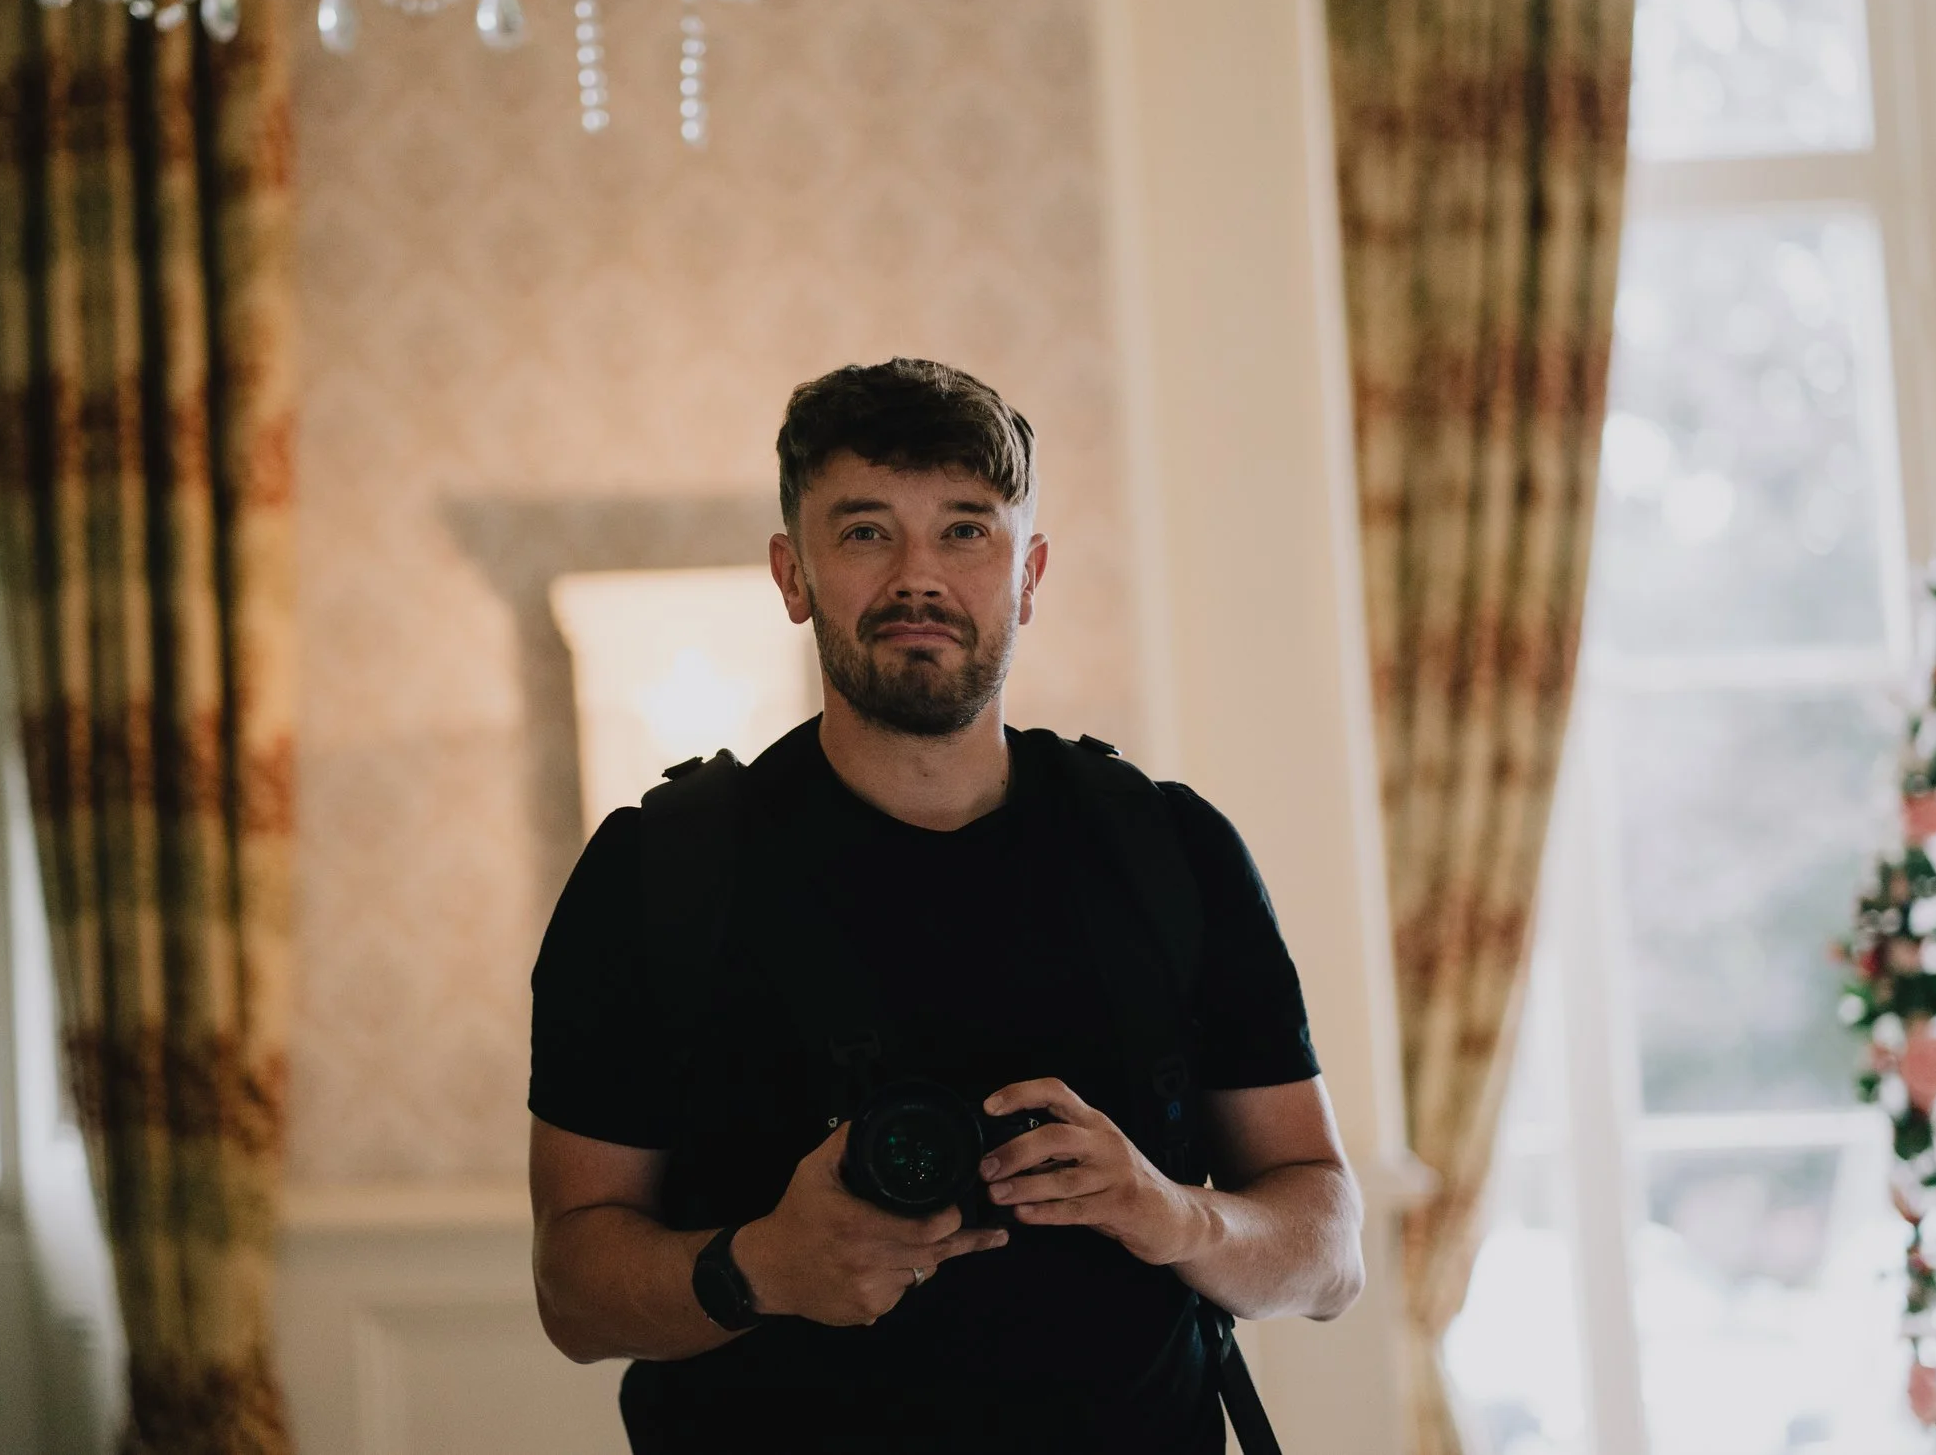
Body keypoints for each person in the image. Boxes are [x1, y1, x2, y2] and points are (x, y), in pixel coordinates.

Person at [528, 359, 1365, 1454]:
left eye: (966, 530)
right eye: (866, 530)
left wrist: (1171, 1211)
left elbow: (1330, 1249)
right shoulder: (659, 869)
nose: (918, 575)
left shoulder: (1167, 847)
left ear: (1029, 573)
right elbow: (572, 1291)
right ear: (793, 574)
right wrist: (761, 1268)